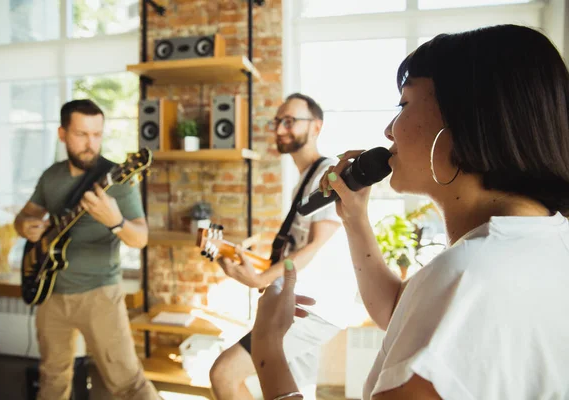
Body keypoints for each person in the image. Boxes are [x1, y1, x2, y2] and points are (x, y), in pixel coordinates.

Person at [250, 24, 569, 400]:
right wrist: (354, 218)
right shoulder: (541, 238)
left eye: (403, 104)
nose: (388, 130)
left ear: (464, 118)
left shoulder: (468, 276)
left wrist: (269, 350)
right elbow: (396, 312)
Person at [209, 93, 356, 399]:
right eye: (277, 121)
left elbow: (316, 245)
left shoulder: (327, 175)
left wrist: (261, 279)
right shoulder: (305, 179)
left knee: (224, 373)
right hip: (301, 303)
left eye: (289, 121)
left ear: (316, 127)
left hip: (312, 308)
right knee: (291, 391)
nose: (279, 129)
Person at [14, 99, 159, 400]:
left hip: (100, 295)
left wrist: (116, 221)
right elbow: (23, 218)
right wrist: (25, 226)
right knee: (52, 380)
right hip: (51, 294)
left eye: (97, 134)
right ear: (62, 134)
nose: (90, 144)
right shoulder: (51, 177)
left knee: (127, 383)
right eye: (81, 134)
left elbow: (141, 238)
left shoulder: (118, 179)